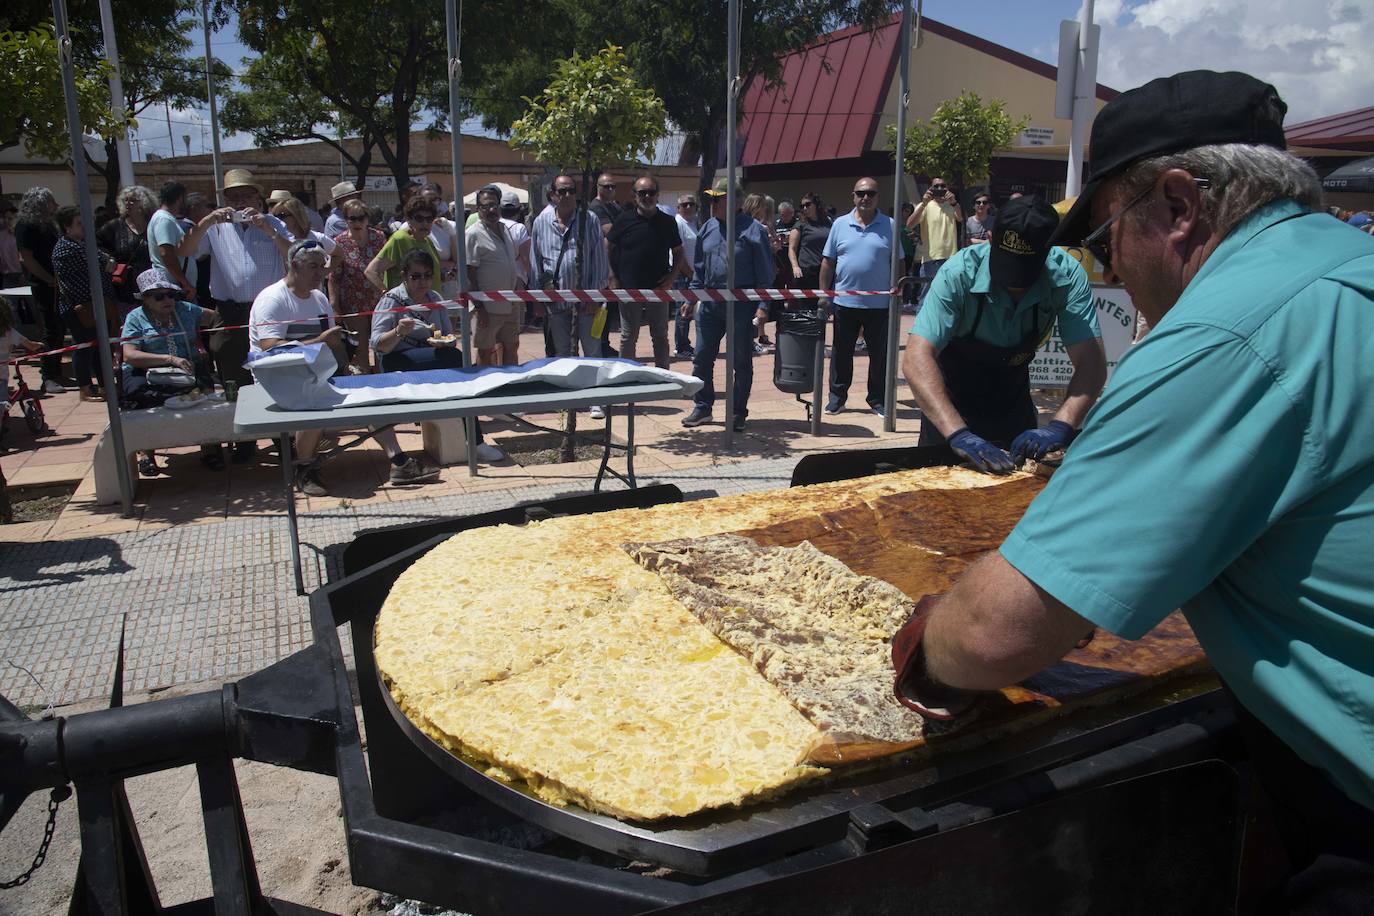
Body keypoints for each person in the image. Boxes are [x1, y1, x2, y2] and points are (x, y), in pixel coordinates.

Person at [890, 70, 1374, 912]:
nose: (1109, 262)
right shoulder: (1351, 267)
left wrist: (929, 643)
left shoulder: (1226, 331)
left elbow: (1001, 633)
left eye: (1109, 233)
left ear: (1180, 206)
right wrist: (962, 433)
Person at [901, 194, 1106, 471]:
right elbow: (916, 356)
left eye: (1025, 274)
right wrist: (959, 434)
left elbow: (1091, 362)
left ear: (1048, 252)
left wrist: (1060, 425)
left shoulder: (1067, 276)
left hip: (1013, 405)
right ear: (990, 237)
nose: (1015, 286)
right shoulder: (959, 273)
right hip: (950, 406)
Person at [250, 240, 437, 493]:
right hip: (276, 377)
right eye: (314, 267)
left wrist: (346, 366)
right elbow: (269, 347)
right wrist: (319, 342)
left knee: (368, 392)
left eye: (323, 267)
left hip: (312, 372)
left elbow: (330, 342)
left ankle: (397, 460)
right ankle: (304, 469)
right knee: (313, 400)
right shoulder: (272, 299)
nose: (321, 274)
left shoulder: (318, 298)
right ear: (294, 265)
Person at [195, 168, 292, 437]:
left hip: (268, 312)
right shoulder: (215, 228)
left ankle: (281, 439)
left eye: (245, 196)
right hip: (230, 310)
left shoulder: (273, 223)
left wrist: (268, 229)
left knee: (273, 372)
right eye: (233, 197)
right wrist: (205, 222)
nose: (240, 202)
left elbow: (293, 255)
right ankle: (244, 438)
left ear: (258, 199)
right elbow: (188, 251)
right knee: (233, 376)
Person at [680, 178, 776, 433]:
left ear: (734, 201)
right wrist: (692, 299)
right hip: (711, 305)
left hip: (742, 305)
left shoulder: (754, 230)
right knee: (701, 358)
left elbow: (766, 274)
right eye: (711, 198)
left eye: (717, 199)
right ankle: (702, 407)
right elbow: (699, 270)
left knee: (741, 361)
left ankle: (737, 412)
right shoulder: (707, 228)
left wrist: (763, 306)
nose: (712, 204)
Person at [119, 268, 221, 474]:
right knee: (140, 398)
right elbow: (130, 355)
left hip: (187, 367)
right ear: (145, 299)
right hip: (146, 370)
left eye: (171, 294)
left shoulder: (186, 309)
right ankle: (146, 453)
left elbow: (216, 318)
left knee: (206, 395)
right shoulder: (135, 318)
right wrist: (169, 359)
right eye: (159, 296)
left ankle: (211, 447)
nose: (167, 300)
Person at [819, 178, 894, 417]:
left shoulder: (890, 225)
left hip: (880, 305)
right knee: (841, 353)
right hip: (844, 303)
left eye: (871, 193)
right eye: (861, 193)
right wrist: (824, 294)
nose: (866, 197)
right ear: (853, 196)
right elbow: (828, 262)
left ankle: (877, 400)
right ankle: (837, 398)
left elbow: (899, 262)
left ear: (877, 197)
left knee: (880, 356)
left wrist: (896, 293)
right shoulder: (840, 224)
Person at [608, 176, 686, 368]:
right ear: (635, 196)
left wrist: (672, 277)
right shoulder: (624, 220)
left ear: (658, 196)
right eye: (642, 193)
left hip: (658, 288)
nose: (647, 196)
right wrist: (612, 276)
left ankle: (662, 378)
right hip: (628, 288)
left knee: (660, 336)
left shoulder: (668, 222)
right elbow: (608, 246)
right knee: (628, 337)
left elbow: (678, 252)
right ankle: (625, 379)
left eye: (651, 192)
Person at [530, 174, 609, 364]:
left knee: (593, 354)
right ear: (553, 195)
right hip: (556, 304)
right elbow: (536, 262)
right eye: (562, 191)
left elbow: (599, 260)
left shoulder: (589, 220)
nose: (567, 195)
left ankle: (594, 391)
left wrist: (595, 297)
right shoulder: (541, 222)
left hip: (586, 305)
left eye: (571, 191)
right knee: (562, 356)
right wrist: (537, 299)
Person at [51, 206, 117, 401]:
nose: (85, 228)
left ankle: (105, 385)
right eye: (79, 224)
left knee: (99, 346)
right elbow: (101, 262)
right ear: (67, 227)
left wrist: (105, 260)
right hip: (80, 309)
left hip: (96, 306)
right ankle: (85, 388)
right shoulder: (65, 248)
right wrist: (105, 260)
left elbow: (106, 260)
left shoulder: (83, 244)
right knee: (83, 347)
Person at [465, 185, 524, 366]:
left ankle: (511, 387)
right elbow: (469, 274)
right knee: (485, 351)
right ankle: (486, 390)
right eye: (486, 206)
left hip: (510, 304)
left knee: (512, 346)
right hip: (487, 309)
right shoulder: (473, 234)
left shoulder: (505, 229)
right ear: (478, 209)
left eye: (494, 205)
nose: (491, 210)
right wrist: (479, 308)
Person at [14, 187, 65, 393]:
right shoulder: (25, 226)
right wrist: (47, 278)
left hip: (58, 283)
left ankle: (57, 371)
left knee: (60, 328)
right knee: (50, 329)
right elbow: (27, 258)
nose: (56, 205)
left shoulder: (50, 225)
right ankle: (48, 376)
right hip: (43, 285)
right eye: (52, 201)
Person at [328, 198, 385, 373]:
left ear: (368, 219)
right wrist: (334, 306)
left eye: (361, 218)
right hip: (352, 304)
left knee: (380, 346)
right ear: (346, 220)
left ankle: (384, 381)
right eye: (352, 218)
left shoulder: (379, 238)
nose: (357, 222)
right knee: (360, 350)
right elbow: (333, 278)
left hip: (378, 303)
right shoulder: (339, 242)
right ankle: (366, 385)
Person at [149, 182, 222, 304]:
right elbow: (166, 253)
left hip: (177, 287)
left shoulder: (167, 218)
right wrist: (185, 283)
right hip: (173, 289)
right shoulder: (163, 219)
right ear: (179, 198)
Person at [365, 196, 446, 294]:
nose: (425, 223)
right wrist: (389, 296)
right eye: (419, 218)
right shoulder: (400, 239)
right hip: (407, 307)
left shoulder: (428, 241)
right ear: (408, 219)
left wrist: (445, 276)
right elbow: (371, 271)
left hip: (431, 305)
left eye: (429, 219)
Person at [93, 186, 154, 314]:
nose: (128, 203)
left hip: (152, 287)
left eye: (133, 200)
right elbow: (95, 245)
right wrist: (108, 258)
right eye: (125, 200)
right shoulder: (114, 226)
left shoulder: (154, 224)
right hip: (124, 290)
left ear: (144, 202)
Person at [907, 176, 962, 309]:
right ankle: (921, 328)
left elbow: (960, 218)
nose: (939, 189)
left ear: (947, 188)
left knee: (948, 297)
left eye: (943, 186)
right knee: (926, 298)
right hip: (930, 259)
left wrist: (954, 203)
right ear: (930, 189)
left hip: (951, 259)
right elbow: (909, 224)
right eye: (936, 186)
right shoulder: (925, 206)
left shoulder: (952, 205)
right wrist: (924, 203)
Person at [0, 296, 43, 429]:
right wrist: (40, 345)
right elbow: (30, 345)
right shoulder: (8, 332)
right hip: (1, 375)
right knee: (1, 403)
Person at [788, 193, 831, 314]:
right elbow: (792, 248)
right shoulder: (800, 224)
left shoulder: (827, 223)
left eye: (808, 205)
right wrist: (795, 266)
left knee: (823, 308)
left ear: (816, 205)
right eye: (802, 206)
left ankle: (820, 332)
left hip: (825, 271)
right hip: (806, 271)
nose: (805, 208)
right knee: (809, 309)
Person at [672, 192, 699, 359]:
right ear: (678, 208)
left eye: (691, 204)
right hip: (682, 274)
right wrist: (689, 274)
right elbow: (677, 252)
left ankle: (684, 343)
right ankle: (681, 346)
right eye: (684, 205)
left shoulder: (694, 223)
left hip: (692, 274)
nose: (688, 207)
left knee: (688, 312)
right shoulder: (678, 223)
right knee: (682, 311)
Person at [1, 205, 22, 289]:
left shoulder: (21, 235)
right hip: (6, 276)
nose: (6, 221)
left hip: (22, 275)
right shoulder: (2, 235)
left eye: (10, 218)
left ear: (17, 218)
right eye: (5, 218)